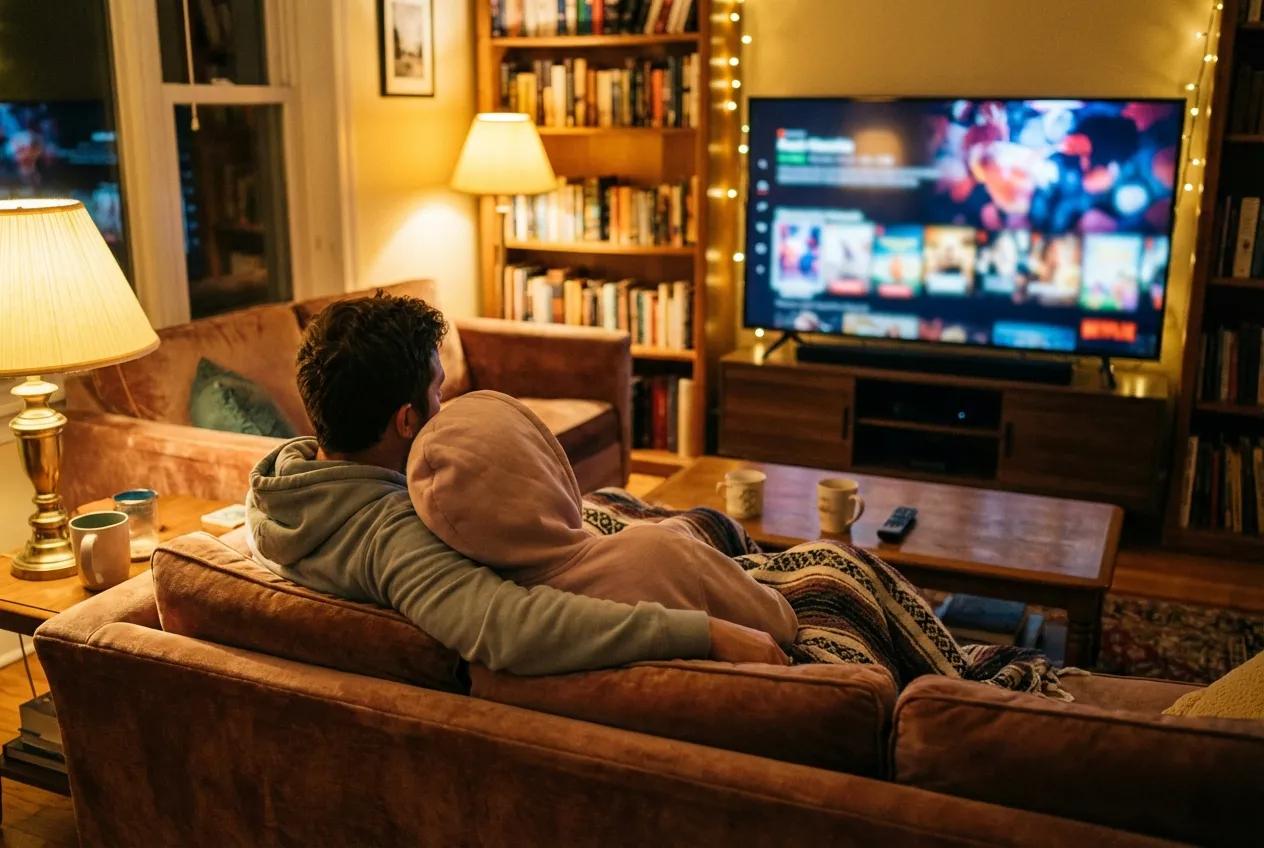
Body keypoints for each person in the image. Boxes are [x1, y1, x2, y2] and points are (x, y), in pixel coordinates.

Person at [244, 292, 787, 675]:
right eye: (438, 391)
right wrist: (705, 633)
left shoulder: (276, 486)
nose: (445, 405)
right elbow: (512, 629)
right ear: (407, 421)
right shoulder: (392, 538)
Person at [408, 390, 799, 645]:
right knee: (698, 525)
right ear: (547, 463)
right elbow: (782, 623)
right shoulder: (659, 556)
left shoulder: (474, 605)